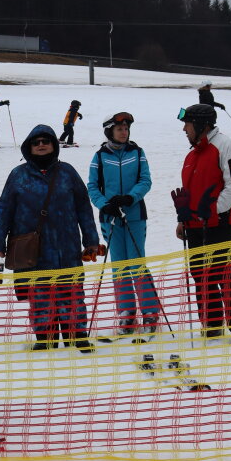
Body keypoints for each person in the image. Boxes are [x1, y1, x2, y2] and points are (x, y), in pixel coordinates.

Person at [0, 124, 103, 351]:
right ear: (29, 147)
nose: (41, 145)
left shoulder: (67, 172)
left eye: (45, 141)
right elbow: (5, 209)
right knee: (40, 294)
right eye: (36, 142)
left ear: (53, 145)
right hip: (33, 250)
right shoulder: (18, 175)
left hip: (66, 247)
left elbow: (83, 207)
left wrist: (90, 240)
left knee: (71, 293)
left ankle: (77, 336)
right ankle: (46, 339)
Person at [172, 104, 231, 342]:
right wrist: (183, 218)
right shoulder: (193, 153)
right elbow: (188, 190)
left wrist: (214, 209)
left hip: (220, 220)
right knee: (200, 273)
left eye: (187, 124)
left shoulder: (224, 146)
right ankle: (211, 321)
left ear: (202, 125)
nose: (184, 129)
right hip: (195, 223)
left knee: (224, 271)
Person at [87, 112, 162, 335]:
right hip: (111, 219)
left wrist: (131, 197)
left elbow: (145, 180)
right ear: (110, 131)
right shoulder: (99, 157)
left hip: (135, 216)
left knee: (137, 263)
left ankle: (149, 312)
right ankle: (126, 313)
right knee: (119, 265)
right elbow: (92, 187)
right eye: (119, 129)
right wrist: (104, 204)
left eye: (126, 129)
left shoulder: (137, 153)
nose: (123, 132)